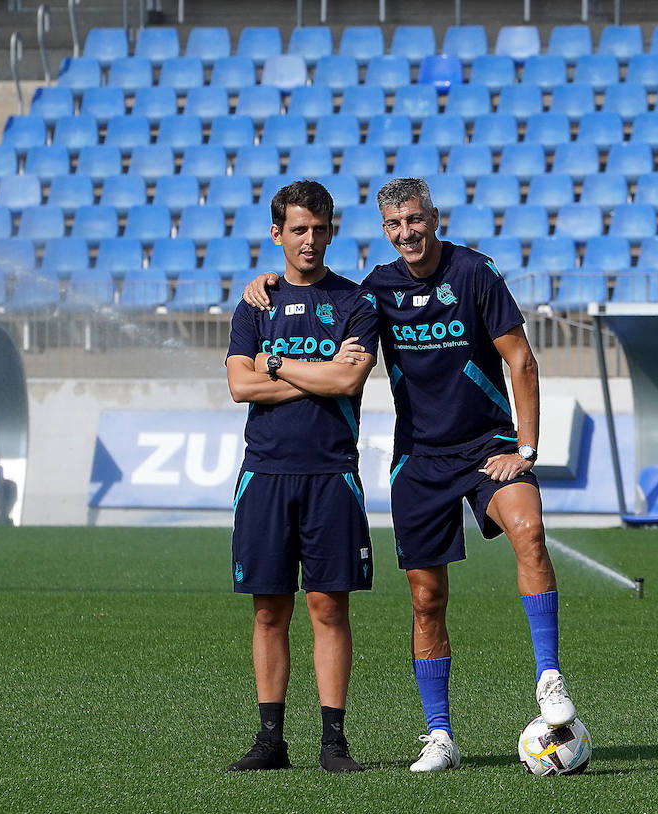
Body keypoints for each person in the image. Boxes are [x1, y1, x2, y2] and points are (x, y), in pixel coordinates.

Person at [243, 177, 576, 773]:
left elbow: (520, 359)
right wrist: (264, 283)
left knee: (529, 529)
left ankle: (549, 680)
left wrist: (525, 448)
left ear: (434, 218)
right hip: (418, 461)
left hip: (488, 448)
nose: (407, 234)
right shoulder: (374, 293)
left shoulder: (476, 273)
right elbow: (318, 333)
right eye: (394, 225)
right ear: (384, 230)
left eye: (415, 221)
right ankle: (440, 736)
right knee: (426, 599)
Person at [224, 180, 380, 774]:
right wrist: (316, 371)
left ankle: (333, 743)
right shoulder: (254, 303)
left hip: (331, 473)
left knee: (328, 607)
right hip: (264, 474)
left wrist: (278, 364)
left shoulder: (356, 303)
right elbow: (240, 386)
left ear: (332, 230)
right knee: (269, 610)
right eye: (297, 230)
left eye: (319, 229)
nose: (309, 240)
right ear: (277, 235)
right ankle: (270, 739)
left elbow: (347, 383)